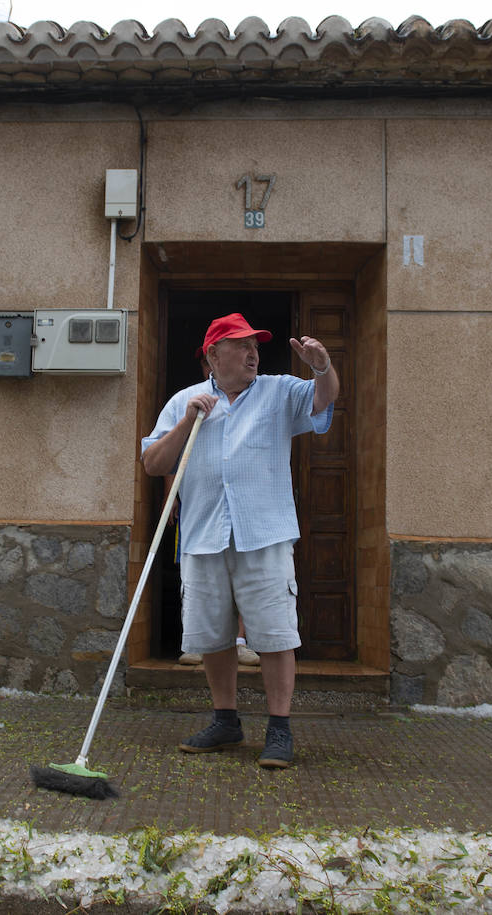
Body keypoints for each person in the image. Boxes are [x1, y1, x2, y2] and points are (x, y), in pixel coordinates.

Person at [141, 312, 338, 769]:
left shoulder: (278, 390)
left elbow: (323, 399)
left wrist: (322, 367)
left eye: (255, 346)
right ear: (214, 354)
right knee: (213, 636)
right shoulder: (184, 401)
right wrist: (187, 423)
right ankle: (225, 721)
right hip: (204, 536)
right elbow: (153, 463)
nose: (253, 353)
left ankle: (279, 728)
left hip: (264, 535)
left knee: (275, 634)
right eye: (241, 344)